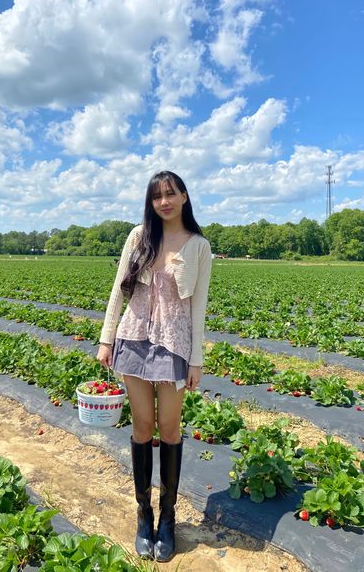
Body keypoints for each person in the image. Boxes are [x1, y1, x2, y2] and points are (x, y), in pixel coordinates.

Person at [97, 170, 212, 562]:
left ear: (184, 196)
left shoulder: (198, 246)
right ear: (150, 202)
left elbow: (198, 306)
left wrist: (196, 358)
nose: (164, 201)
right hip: (134, 339)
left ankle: (168, 518)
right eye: (157, 196)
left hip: (175, 343)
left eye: (171, 194)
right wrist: (106, 338)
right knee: (142, 426)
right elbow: (119, 289)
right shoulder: (138, 237)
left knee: (170, 427)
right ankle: (143, 516)